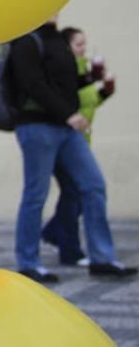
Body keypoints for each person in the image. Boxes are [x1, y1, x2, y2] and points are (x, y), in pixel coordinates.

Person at [9, 17, 135, 283]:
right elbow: (33, 84)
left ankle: (102, 258)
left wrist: (93, 80)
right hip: (38, 127)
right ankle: (28, 262)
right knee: (36, 194)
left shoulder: (58, 40)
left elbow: (64, 84)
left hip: (67, 126)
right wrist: (68, 113)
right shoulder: (26, 40)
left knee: (93, 185)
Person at [40, 26, 116, 266]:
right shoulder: (64, 70)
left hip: (80, 139)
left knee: (78, 192)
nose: (83, 48)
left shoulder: (82, 68)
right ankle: (68, 246)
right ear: (67, 47)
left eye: (84, 44)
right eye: (78, 44)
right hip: (67, 138)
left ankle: (55, 234)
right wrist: (94, 85)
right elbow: (75, 100)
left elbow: (88, 103)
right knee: (76, 192)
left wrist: (104, 92)